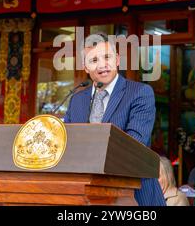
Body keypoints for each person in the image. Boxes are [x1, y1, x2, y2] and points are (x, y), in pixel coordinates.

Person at [64, 33, 166, 206]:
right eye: (94, 60)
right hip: (87, 195)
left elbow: (134, 143)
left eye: (107, 57)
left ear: (117, 59)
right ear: (85, 67)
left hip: (134, 195)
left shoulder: (140, 93)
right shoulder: (77, 100)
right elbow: (67, 143)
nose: (102, 65)